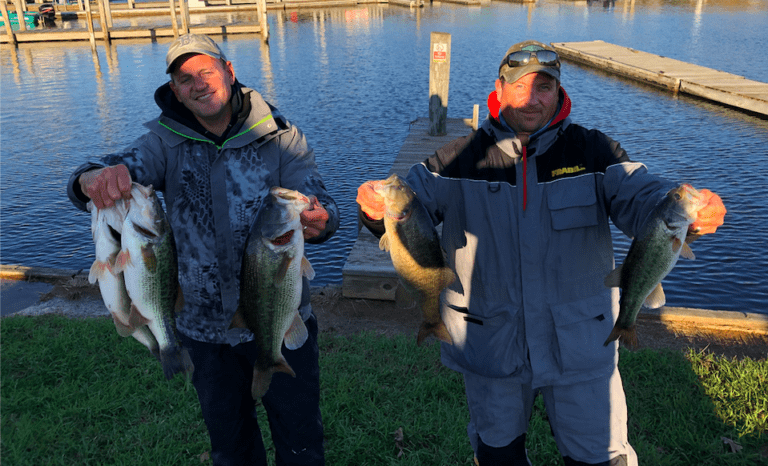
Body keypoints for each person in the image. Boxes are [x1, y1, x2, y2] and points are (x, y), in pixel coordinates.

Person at [356, 40, 725, 466]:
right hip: (490, 344)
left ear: (559, 91)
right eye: (521, 85)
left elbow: (644, 195)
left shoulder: (596, 152)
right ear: (500, 87)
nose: (533, 98)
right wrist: (373, 208)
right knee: (497, 456)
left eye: (545, 86)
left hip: (582, 344)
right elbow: (408, 204)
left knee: (600, 458)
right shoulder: (455, 160)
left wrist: (686, 213)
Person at [68, 33, 339, 466]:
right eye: (184, 78)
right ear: (174, 90)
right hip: (204, 331)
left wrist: (322, 221)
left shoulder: (282, 138)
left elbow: (321, 203)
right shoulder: (161, 141)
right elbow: (114, 167)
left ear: (229, 72)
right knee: (230, 450)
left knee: (302, 443)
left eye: (206, 71)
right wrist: (90, 179)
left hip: (281, 316)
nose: (198, 84)